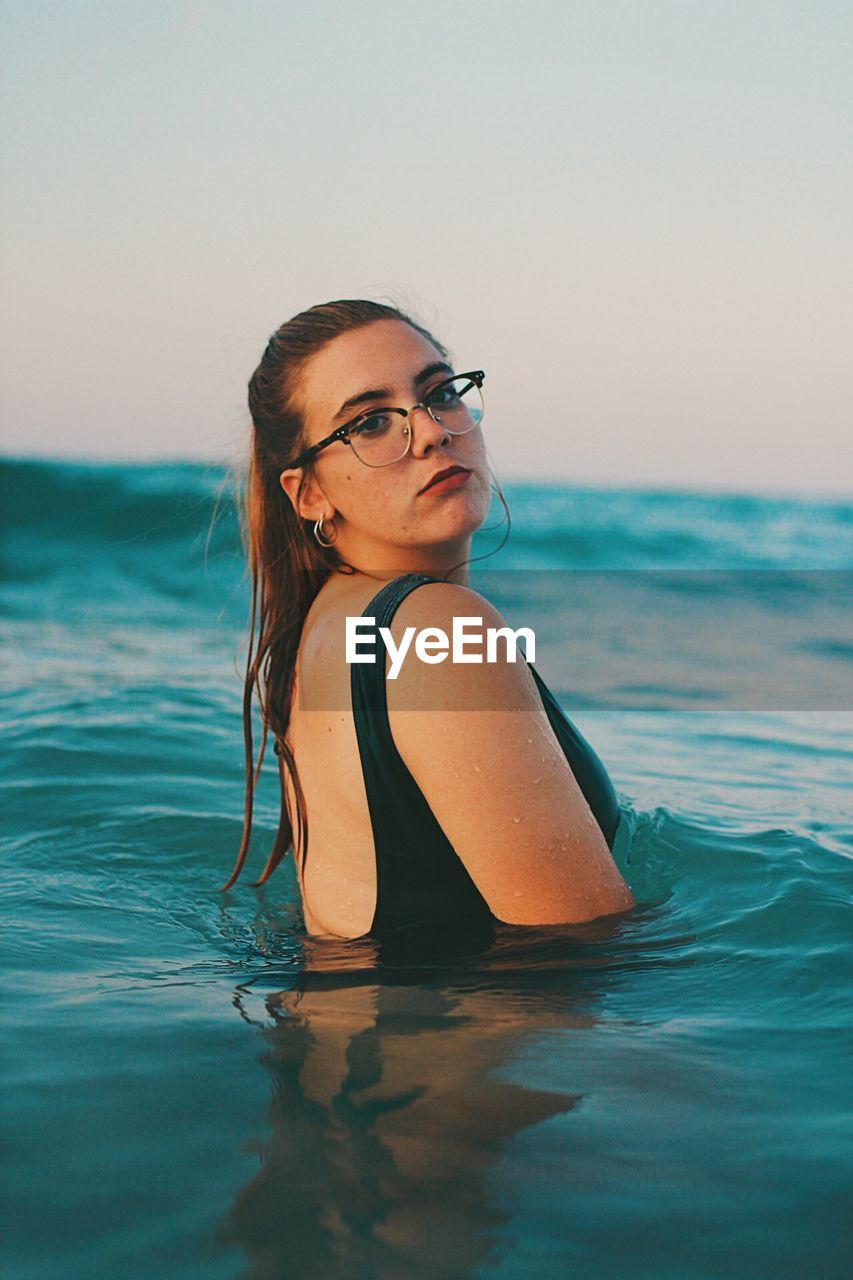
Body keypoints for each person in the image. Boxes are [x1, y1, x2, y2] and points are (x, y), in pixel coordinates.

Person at [221, 299, 635, 941]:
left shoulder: (323, 628)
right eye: (370, 423)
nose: (432, 430)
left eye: (440, 393)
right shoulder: (437, 626)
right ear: (309, 493)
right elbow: (586, 952)